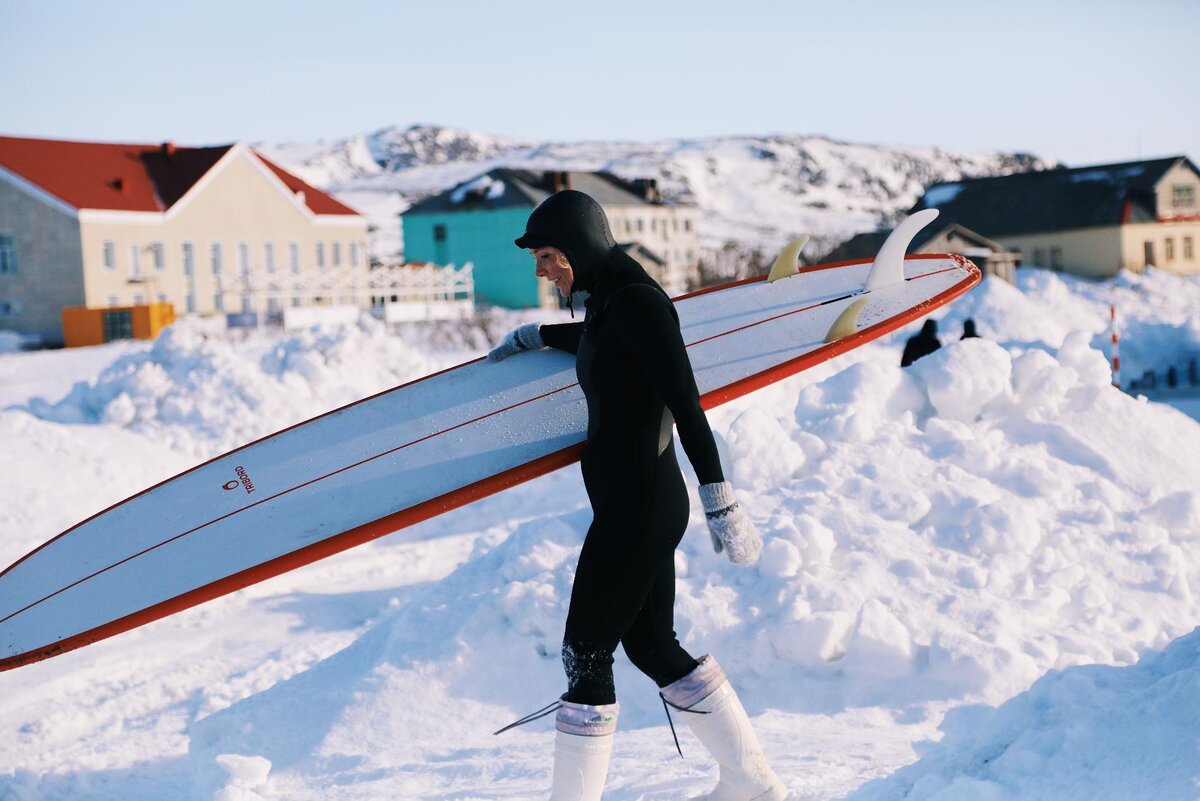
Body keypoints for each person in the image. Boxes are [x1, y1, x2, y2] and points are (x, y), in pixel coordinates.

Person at [489, 190, 786, 801]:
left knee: (585, 653)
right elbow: (604, 347)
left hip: (640, 511)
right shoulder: (611, 304)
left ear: (580, 249)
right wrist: (538, 335)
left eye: (548, 256)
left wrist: (720, 496)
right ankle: (751, 783)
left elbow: (686, 400)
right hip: (632, 507)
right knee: (651, 644)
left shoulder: (641, 304)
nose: (541, 270)